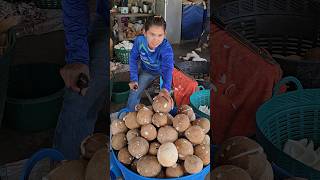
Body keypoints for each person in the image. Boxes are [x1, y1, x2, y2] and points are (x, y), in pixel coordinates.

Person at [53, 0, 108, 160]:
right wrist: (77, 58)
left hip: (140, 30)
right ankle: (65, 168)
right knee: (81, 92)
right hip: (107, 21)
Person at [127, 16, 174, 111]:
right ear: (144, 32)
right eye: (152, 34)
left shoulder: (166, 48)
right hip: (147, 71)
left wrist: (165, 89)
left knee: (166, 100)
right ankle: (129, 115)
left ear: (164, 34)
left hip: (162, 73)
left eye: (160, 35)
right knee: (134, 91)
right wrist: (134, 79)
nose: (156, 39)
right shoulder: (139, 41)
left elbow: (168, 68)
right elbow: (133, 59)